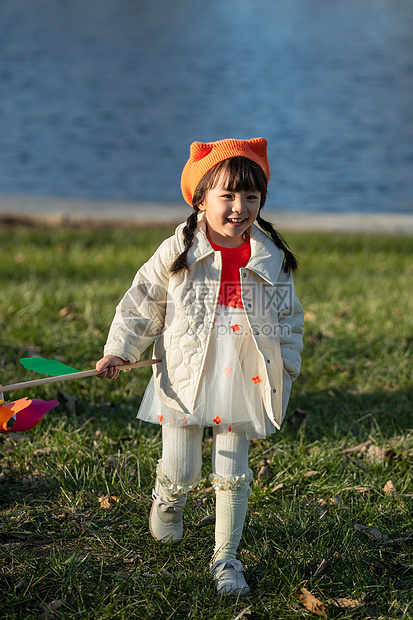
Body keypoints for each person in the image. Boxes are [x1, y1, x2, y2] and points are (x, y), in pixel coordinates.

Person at [96, 138, 304, 595]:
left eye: (251, 196)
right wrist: (121, 350)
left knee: (232, 472)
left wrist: (286, 365)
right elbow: (142, 303)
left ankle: (226, 558)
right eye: (227, 195)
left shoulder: (269, 258)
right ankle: (168, 498)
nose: (239, 207)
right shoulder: (179, 250)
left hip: (246, 373)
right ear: (201, 198)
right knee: (184, 466)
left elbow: (289, 316)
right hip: (188, 370)